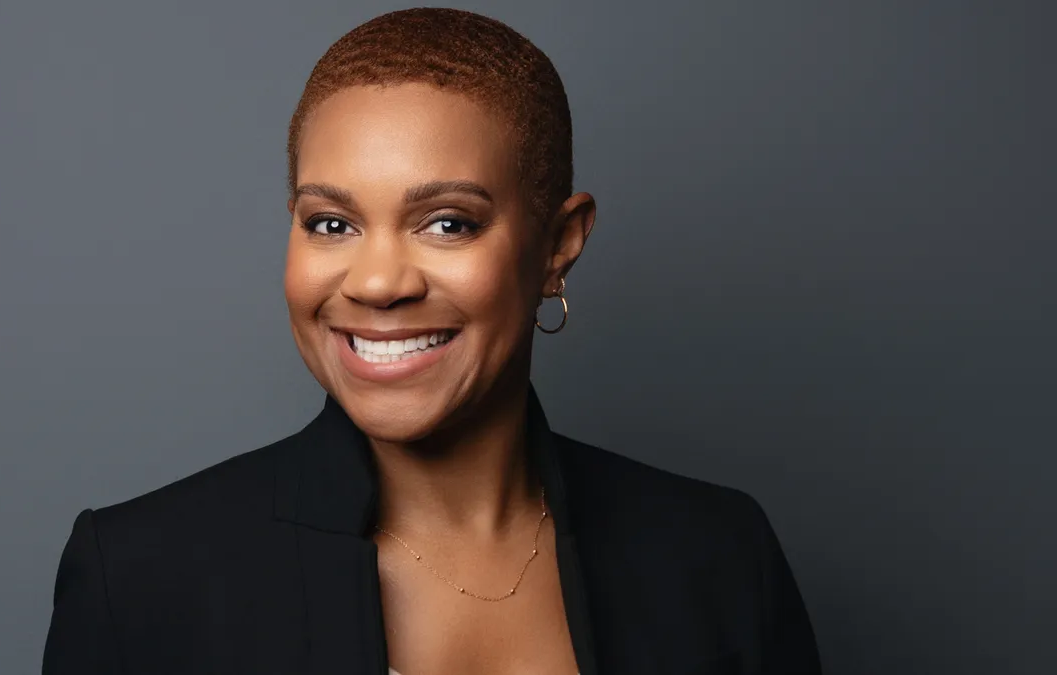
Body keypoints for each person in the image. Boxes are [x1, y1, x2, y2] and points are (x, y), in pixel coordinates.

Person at [41, 7, 821, 674]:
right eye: (331, 223)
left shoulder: (718, 559)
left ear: (559, 242)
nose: (378, 281)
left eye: (448, 222)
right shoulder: (139, 579)